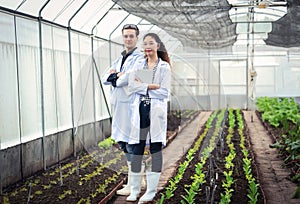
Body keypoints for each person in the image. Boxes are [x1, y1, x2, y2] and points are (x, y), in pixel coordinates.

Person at [126, 33, 171, 203]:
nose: (148, 46)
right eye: (145, 43)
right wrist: (151, 86)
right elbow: (132, 86)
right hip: (140, 111)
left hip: (155, 113)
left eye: (151, 43)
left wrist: (142, 86)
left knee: (155, 149)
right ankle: (135, 190)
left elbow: (164, 92)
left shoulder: (163, 67)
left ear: (157, 46)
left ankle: (151, 191)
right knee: (136, 150)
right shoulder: (140, 64)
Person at [101, 24, 145, 196]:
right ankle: (138, 179)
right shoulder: (119, 59)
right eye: (125, 36)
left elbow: (137, 77)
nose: (128, 39)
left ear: (137, 38)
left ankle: (134, 184)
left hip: (131, 106)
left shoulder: (141, 58)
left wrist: (119, 77)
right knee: (122, 142)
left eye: (131, 36)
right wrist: (116, 76)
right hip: (119, 106)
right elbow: (106, 77)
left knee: (132, 143)